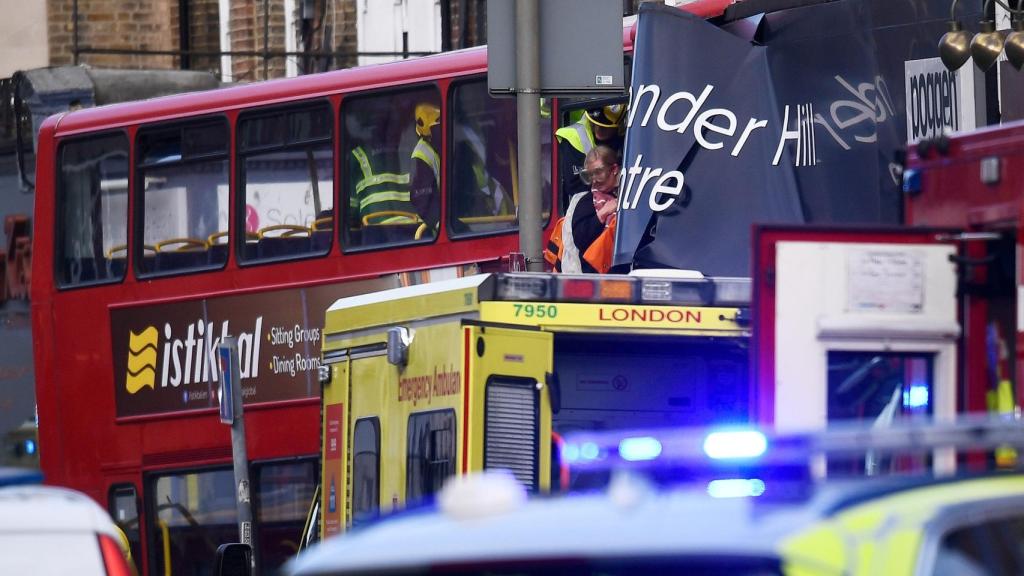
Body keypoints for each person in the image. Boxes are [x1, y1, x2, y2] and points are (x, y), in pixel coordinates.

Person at [545, 145, 620, 274]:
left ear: (614, 169)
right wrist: (603, 213)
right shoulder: (585, 201)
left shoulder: (630, 195)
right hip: (594, 278)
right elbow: (580, 238)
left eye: (598, 172)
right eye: (590, 175)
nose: (594, 180)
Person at [555, 104, 625, 207]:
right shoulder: (574, 135)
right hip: (586, 205)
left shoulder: (628, 135)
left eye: (604, 127)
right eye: (595, 124)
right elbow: (575, 186)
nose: (598, 130)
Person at [409, 102, 441, 233]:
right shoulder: (421, 155)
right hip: (437, 227)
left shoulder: (440, 146)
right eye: (438, 126)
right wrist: (440, 223)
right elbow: (422, 200)